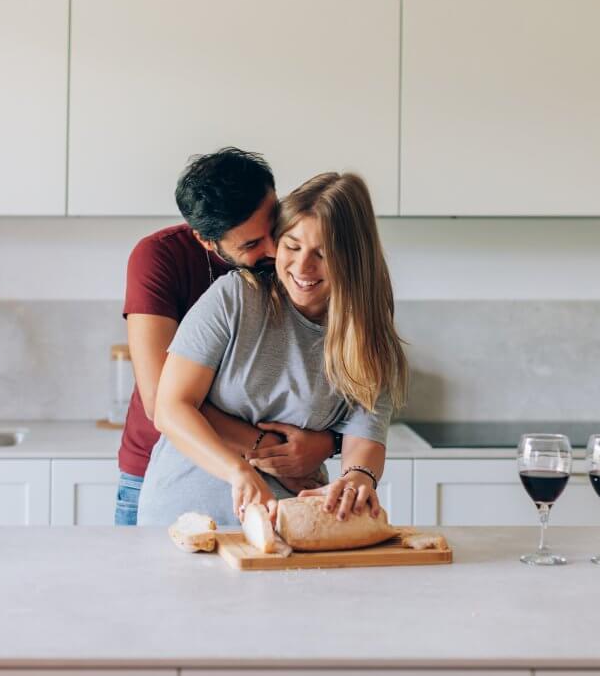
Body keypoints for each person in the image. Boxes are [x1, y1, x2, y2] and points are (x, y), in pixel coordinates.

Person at [137, 172, 408, 526]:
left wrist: (358, 477)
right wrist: (239, 471)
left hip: (290, 527)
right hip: (182, 517)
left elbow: (366, 435)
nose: (302, 267)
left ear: (354, 260)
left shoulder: (368, 338)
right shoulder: (234, 298)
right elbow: (170, 408)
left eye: (322, 254)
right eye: (292, 247)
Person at [117, 148, 339, 525]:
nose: (273, 251)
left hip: (280, 479)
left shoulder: (301, 261)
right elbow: (161, 401)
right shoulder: (158, 258)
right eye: (251, 245)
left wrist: (327, 443)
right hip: (167, 470)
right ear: (206, 241)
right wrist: (271, 451)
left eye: (273, 230)